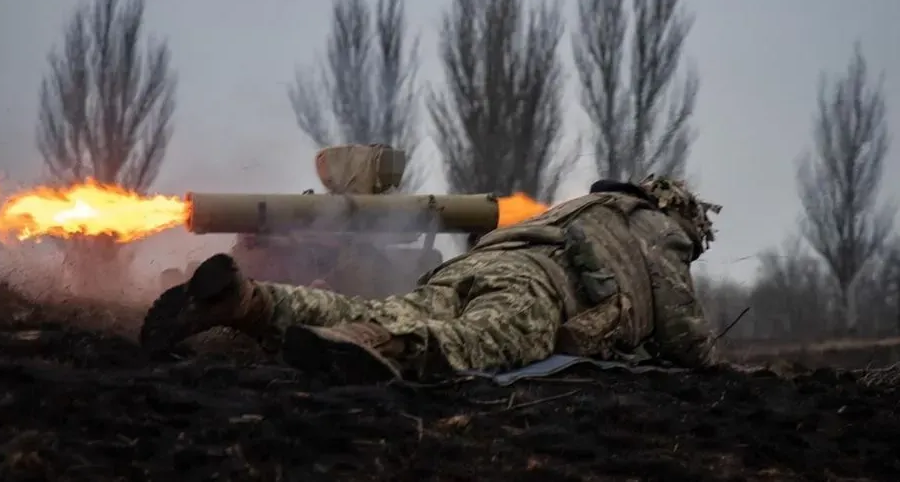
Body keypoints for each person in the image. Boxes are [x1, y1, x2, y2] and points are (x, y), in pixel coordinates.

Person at [140, 175, 722, 385]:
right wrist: (712, 360)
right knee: (474, 345)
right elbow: (682, 333)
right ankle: (373, 345)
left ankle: (250, 303)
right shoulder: (660, 228)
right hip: (535, 289)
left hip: (473, 266)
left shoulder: (578, 209)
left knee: (399, 307)